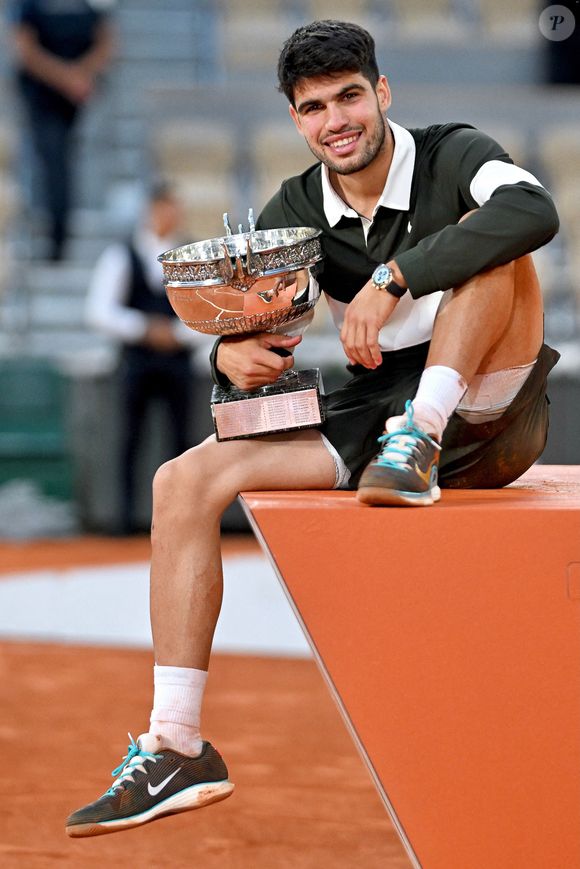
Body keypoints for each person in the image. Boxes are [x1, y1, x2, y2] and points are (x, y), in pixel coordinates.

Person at [65, 20, 559, 837]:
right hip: (377, 414)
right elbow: (254, 328)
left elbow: (534, 209)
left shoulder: (453, 152)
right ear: (295, 119)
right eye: (313, 106)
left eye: (350, 96)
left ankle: (423, 433)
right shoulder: (295, 206)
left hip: (486, 406)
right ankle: (178, 742)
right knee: (179, 480)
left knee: (495, 242)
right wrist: (235, 358)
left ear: (382, 92)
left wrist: (396, 278)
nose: (336, 119)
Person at [85, 182, 204, 534]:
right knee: (130, 438)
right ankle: (125, 519)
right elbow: (99, 311)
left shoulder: (191, 253)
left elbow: (209, 310)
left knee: (182, 441)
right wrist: (143, 329)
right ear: (150, 210)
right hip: (136, 361)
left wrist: (177, 335)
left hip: (178, 361)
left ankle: (182, 518)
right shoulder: (122, 255)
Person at [10, 0, 115, 261]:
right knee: (53, 160)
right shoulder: (31, 5)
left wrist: (82, 74)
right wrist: (68, 78)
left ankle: (60, 232)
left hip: (81, 96)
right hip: (42, 96)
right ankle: (56, 233)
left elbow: (107, 40)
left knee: (63, 160)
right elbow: (24, 47)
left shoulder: (91, 5)